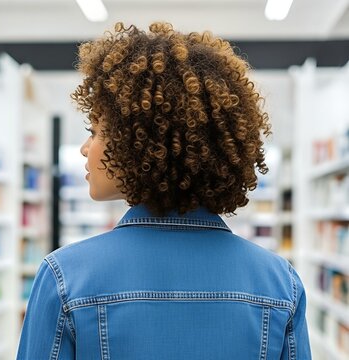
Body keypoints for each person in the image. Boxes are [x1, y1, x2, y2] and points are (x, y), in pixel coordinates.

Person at [17, 22, 311, 359]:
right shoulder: (279, 284)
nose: (86, 148)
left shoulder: (65, 277)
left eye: (95, 130)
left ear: (136, 142)